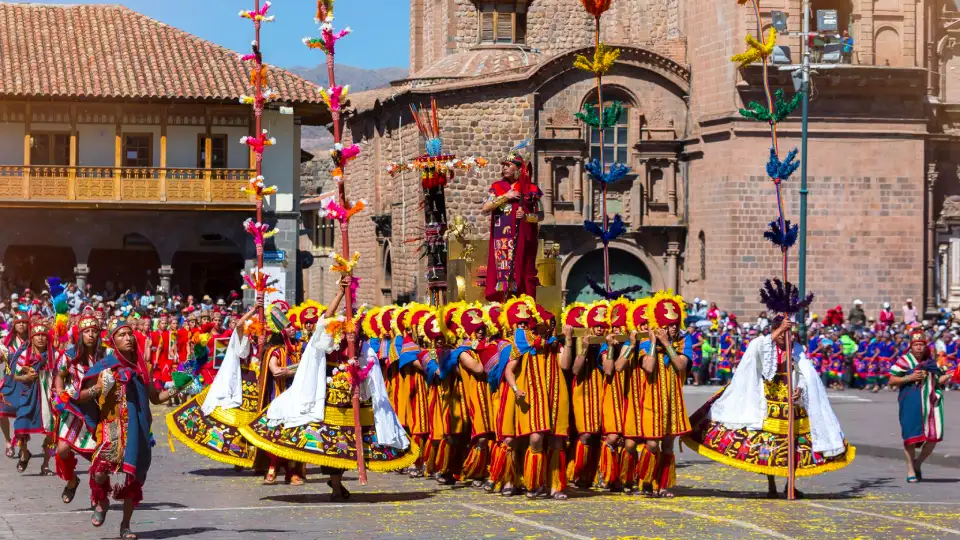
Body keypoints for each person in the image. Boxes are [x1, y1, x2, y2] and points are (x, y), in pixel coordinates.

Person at [239, 278, 416, 500]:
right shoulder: (326, 341)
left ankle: (336, 483)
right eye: (343, 330)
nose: (346, 334)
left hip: (353, 396)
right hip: (326, 396)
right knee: (328, 443)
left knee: (347, 444)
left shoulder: (360, 346)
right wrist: (341, 292)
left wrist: (358, 374)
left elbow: (369, 368)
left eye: (351, 332)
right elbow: (326, 318)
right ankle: (328, 481)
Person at [684, 314, 856, 498]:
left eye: (789, 335)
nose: (786, 338)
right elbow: (759, 354)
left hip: (792, 402)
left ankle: (791, 484)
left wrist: (799, 389)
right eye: (782, 334)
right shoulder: (762, 344)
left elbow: (806, 373)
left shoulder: (796, 348)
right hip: (768, 402)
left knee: (795, 445)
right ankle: (771, 485)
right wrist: (779, 330)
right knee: (769, 446)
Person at [86, 320, 180, 539]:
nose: (128, 338)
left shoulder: (143, 367)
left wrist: (179, 386)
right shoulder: (105, 367)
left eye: (130, 334)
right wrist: (99, 389)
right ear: (113, 341)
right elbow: (84, 395)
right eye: (122, 335)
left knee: (132, 478)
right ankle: (101, 502)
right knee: (99, 472)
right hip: (112, 430)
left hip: (138, 430)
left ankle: (125, 526)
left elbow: (156, 398)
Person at [632, 292, 692, 498]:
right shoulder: (645, 342)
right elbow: (648, 367)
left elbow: (681, 364)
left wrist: (666, 345)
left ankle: (664, 484)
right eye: (668, 323)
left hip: (673, 399)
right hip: (651, 398)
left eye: (675, 323)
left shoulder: (684, 341)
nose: (673, 327)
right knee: (651, 443)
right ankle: (647, 478)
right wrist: (652, 344)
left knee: (667, 443)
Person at [54, 309, 103, 505]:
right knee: (63, 449)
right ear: (80, 334)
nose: (90, 335)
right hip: (73, 408)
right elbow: (60, 375)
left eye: (94, 331)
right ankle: (72, 481)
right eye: (86, 331)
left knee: (97, 458)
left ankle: (97, 494)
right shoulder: (70, 355)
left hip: (97, 411)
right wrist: (59, 392)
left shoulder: (105, 355)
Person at [480, 148, 543, 302]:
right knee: (504, 272)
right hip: (502, 239)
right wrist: (505, 197)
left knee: (524, 270)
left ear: (519, 169)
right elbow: (485, 208)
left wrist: (527, 217)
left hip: (525, 239)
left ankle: (524, 302)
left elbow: (541, 215)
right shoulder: (498, 187)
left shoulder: (531, 189)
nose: (505, 168)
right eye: (504, 165)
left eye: (508, 165)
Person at [889, 328, 951, 482]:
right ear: (911, 346)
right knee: (911, 437)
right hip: (910, 403)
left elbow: (936, 381)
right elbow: (892, 381)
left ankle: (918, 463)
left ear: (925, 346)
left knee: (934, 436)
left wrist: (950, 375)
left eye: (921, 344)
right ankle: (910, 469)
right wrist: (909, 377)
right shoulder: (904, 361)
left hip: (931, 403)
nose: (918, 347)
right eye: (915, 344)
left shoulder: (930, 363)